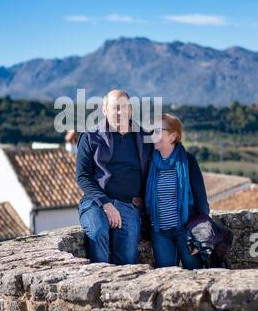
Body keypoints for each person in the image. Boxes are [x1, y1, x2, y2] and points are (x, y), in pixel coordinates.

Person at [76, 89, 153, 265]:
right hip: (96, 201)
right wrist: (107, 204)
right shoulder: (90, 137)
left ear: (130, 110)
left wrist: (144, 200)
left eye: (124, 107)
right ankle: (97, 284)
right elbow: (82, 176)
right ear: (104, 110)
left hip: (129, 204)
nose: (120, 112)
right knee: (98, 231)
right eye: (114, 108)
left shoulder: (144, 137)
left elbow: (153, 172)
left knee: (127, 258)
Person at [145, 113, 209, 269]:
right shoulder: (149, 161)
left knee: (194, 276)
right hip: (160, 231)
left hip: (186, 230)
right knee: (165, 277)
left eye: (158, 131)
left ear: (173, 136)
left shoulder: (188, 161)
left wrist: (201, 235)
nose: (153, 135)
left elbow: (201, 200)